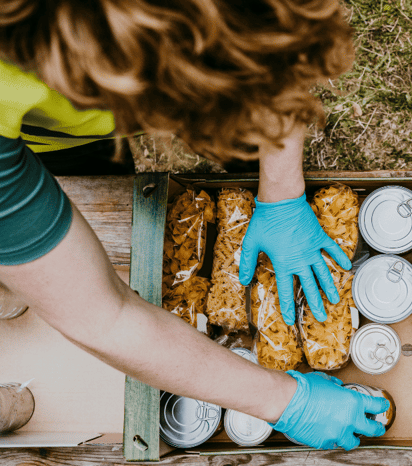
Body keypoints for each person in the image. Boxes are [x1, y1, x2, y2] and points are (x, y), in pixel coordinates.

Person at [0, 0, 388, 450]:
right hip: (44, 135)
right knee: (87, 174)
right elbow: (104, 317)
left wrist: (281, 189)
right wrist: (286, 402)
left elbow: (277, 46)